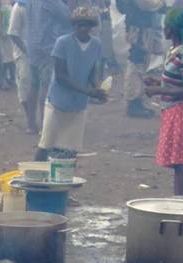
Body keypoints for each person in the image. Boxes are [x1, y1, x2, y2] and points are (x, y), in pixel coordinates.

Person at [35, 7, 106, 161]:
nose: (82, 28)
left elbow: (93, 69)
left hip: (78, 104)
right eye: (78, 25)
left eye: (85, 25)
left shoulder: (96, 44)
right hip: (58, 101)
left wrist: (97, 87)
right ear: (73, 26)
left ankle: (63, 182)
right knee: (46, 143)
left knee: (71, 149)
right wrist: (88, 92)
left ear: (91, 26)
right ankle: (35, 177)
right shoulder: (63, 42)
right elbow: (60, 76)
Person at [144, 6, 183, 194]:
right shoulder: (175, 50)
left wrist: (159, 89)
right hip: (171, 110)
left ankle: (180, 200)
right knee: (176, 161)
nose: (163, 28)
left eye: (165, 25)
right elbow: (176, 81)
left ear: (172, 29)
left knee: (180, 162)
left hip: (179, 110)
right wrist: (159, 81)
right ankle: (178, 199)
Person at [26, 0, 73, 124]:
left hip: (33, 46)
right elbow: (69, 16)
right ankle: (44, 125)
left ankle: (31, 124)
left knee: (34, 84)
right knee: (46, 86)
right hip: (47, 47)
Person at [120, 0, 163, 117]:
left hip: (142, 28)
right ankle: (133, 103)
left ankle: (137, 100)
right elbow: (149, 5)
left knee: (141, 64)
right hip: (138, 29)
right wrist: (161, 4)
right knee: (136, 65)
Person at [8, 0, 37, 129]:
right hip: (24, 54)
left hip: (39, 52)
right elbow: (13, 34)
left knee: (38, 86)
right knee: (25, 84)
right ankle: (31, 120)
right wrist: (27, 51)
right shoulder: (18, 8)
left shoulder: (38, 5)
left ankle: (35, 120)